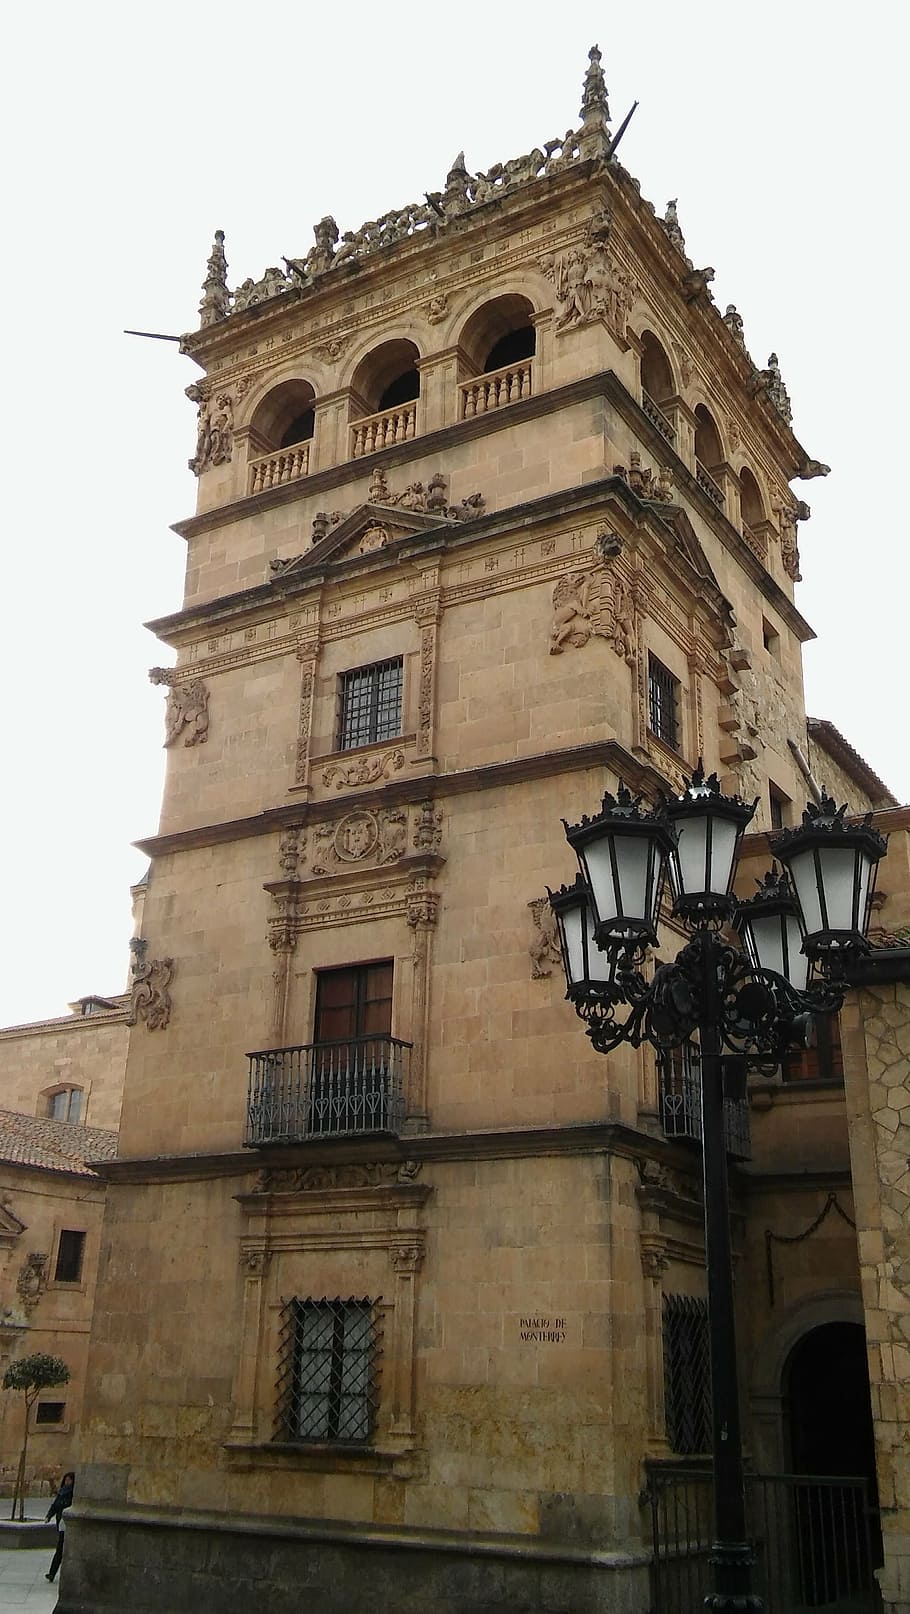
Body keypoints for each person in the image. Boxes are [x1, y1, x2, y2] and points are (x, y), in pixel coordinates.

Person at [45, 1471, 74, 1583]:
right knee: (60, 1550)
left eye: (69, 1480)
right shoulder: (61, 1493)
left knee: (64, 1551)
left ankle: (57, 1573)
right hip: (62, 1525)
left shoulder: (74, 1495)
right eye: (66, 1480)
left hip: (69, 1526)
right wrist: (48, 1516)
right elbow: (55, 1506)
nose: (67, 1482)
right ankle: (52, 1573)